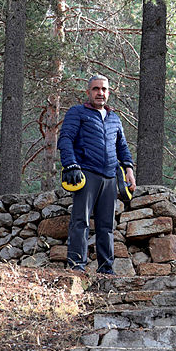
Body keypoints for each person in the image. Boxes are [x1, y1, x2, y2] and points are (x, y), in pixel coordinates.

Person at [58, 74, 136, 274]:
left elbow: (122, 147)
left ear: (108, 92)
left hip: (110, 177)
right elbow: (65, 138)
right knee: (80, 221)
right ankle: (77, 267)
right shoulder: (77, 112)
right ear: (88, 92)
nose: (100, 93)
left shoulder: (114, 118)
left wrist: (129, 169)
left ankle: (106, 270)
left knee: (106, 226)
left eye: (104, 89)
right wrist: (71, 165)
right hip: (86, 174)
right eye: (96, 89)